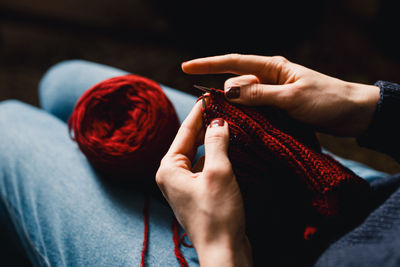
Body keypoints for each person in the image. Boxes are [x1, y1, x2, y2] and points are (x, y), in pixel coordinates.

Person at [0, 54, 396, 266]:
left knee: (9, 121)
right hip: (372, 199)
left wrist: (221, 246)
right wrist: (369, 105)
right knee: (63, 80)